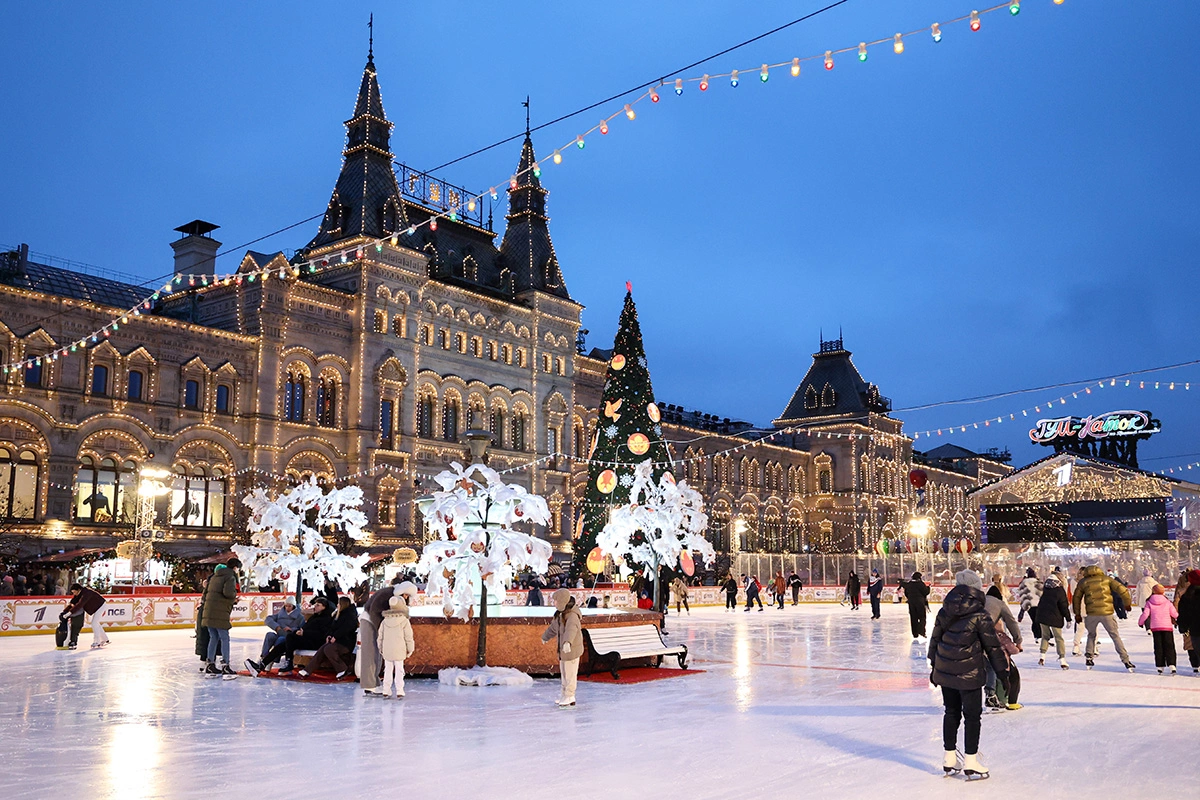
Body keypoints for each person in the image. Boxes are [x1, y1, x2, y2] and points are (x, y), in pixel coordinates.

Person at [929, 570, 1008, 780]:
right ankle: (971, 761)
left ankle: (949, 758)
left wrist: (933, 665)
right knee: (972, 717)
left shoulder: (945, 610)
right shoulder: (980, 614)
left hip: (946, 671)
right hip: (969, 673)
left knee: (951, 712)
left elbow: (934, 640)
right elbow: (992, 647)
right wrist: (1002, 673)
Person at [247, 596, 335, 675]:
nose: (315, 606)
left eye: (318, 605)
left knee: (288, 638)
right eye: (315, 604)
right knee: (282, 645)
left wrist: (302, 633)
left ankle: (289, 662)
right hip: (306, 639)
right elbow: (304, 627)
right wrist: (297, 631)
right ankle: (262, 664)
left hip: (315, 642)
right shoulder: (314, 617)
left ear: (324, 607)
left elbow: (322, 634)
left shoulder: (326, 619)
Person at [1073, 564, 1135, 671]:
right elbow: (1122, 590)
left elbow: (1076, 598)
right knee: (1115, 636)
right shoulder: (1107, 579)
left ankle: (1089, 657)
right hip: (1107, 613)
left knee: (1091, 635)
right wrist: (1127, 603)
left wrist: (1077, 614)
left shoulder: (1083, 582)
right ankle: (1126, 660)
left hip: (1091, 614)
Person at [360, 577, 405, 694]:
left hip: (371, 622)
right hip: (369, 621)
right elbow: (374, 611)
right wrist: (381, 630)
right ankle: (370, 685)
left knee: (376, 653)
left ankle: (373, 683)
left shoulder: (391, 594)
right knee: (370, 653)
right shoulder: (387, 594)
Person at [982, 576, 1022, 709]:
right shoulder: (1000, 604)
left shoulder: (979, 600)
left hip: (968, 636)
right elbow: (1011, 622)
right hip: (986, 637)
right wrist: (1018, 641)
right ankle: (991, 696)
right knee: (993, 666)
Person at [372, 585, 416, 698]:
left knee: (388, 670)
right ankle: (400, 690)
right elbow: (408, 637)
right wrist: (410, 649)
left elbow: (380, 637)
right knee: (399, 670)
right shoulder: (404, 621)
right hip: (400, 650)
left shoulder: (384, 621)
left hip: (387, 650)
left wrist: (381, 648)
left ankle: (386, 690)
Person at [541, 588, 583, 707]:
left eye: (555, 601)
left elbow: (571, 630)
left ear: (562, 601)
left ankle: (570, 695)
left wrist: (567, 642)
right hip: (563, 651)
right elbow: (554, 628)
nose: (554, 603)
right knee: (564, 674)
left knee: (570, 674)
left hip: (571, 650)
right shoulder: (561, 614)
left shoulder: (572, 615)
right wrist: (545, 637)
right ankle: (564, 695)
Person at [200, 557, 240, 677]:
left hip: (209, 612)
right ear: (235, 568)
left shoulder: (214, 577)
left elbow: (206, 593)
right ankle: (226, 666)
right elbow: (228, 593)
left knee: (213, 637)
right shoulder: (230, 577)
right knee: (224, 638)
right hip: (220, 613)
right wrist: (235, 597)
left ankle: (210, 664)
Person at [301, 596, 358, 678]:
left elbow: (346, 628)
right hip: (337, 641)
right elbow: (332, 627)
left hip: (346, 642)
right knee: (323, 648)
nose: (337, 605)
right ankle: (307, 670)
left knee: (328, 649)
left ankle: (342, 668)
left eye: (339, 604)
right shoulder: (337, 614)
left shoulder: (350, 615)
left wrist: (335, 636)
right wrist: (329, 635)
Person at [1138, 585, 1179, 674]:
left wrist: (1140, 622)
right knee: (1169, 646)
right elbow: (1174, 614)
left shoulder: (1149, 602)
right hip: (1167, 627)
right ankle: (1172, 665)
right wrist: (1180, 620)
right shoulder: (1167, 602)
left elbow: (1145, 614)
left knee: (1158, 646)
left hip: (1155, 628)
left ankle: (1160, 666)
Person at [1035, 572, 1072, 670]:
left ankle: (1042, 656)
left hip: (1042, 616)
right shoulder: (1059, 590)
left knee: (1045, 637)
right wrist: (1068, 619)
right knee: (1059, 638)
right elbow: (1064, 606)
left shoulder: (1045, 588)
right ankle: (1062, 659)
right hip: (1055, 617)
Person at [66, 582, 109, 649]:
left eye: (74, 592)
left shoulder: (86, 593)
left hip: (101, 605)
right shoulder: (80, 593)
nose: (74, 594)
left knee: (94, 623)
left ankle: (97, 641)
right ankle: (105, 639)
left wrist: (70, 613)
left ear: (78, 590)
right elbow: (74, 601)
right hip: (97, 606)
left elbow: (80, 604)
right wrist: (66, 611)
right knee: (96, 623)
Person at [260, 599, 304, 663]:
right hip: (279, 633)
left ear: (293, 606)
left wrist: (292, 629)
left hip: (289, 636)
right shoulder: (281, 614)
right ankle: (264, 655)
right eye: (286, 606)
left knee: (281, 639)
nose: (287, 608)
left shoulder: (300, 617)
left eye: (289, 606)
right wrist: (276, 627)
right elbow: (268, 619)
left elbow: (301, 628)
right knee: (269, 635)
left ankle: (275, 658)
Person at [1175, 569, 1200, 674]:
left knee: (1196, 649)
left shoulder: (1186, 595)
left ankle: (1195, 664)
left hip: (1194, 629)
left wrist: (1182, 626)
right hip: (1194, 629)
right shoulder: (1187, 595)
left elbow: (1183, 613)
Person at [899, 572, 930, 641]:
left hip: (911, 602)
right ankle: (921, 630)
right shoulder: (920, 584)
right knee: (922, 617)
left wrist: (910, 598)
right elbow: (925, 592)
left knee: (913, 617)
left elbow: (906, 593)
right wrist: (928, 587)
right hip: (920, 602)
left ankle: (915, 633)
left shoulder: (909, 584)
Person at [1016, 568, 1043, 642]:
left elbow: (1022, 595)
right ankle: (1040, 635)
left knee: (1034, 620)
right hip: (1038, 604)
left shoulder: (1023, 583)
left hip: (1029, 604)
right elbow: (1042, 594)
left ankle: (1037, 635)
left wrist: (1023, 607)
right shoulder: (1038, 582)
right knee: (1038, 620)